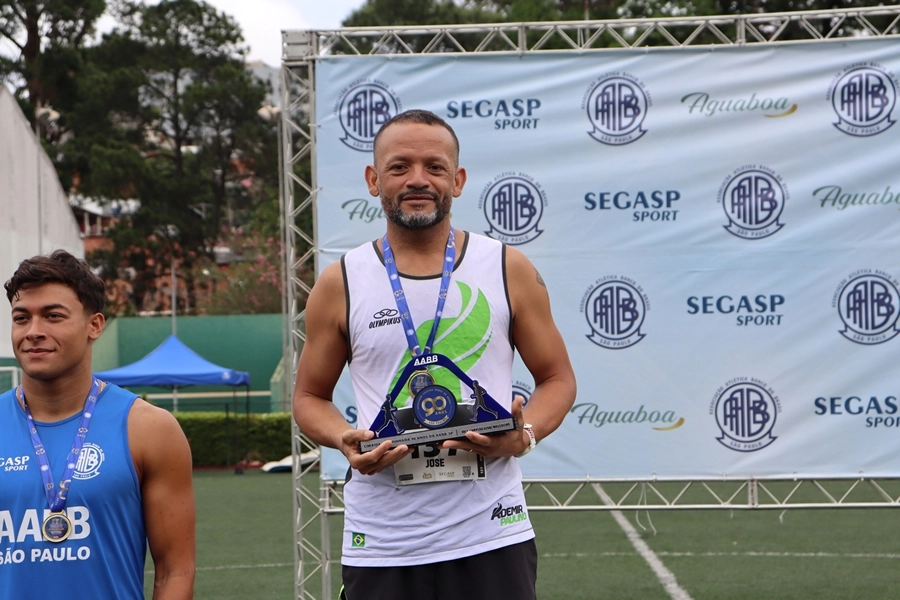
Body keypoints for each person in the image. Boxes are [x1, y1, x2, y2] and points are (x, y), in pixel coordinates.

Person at [292, 109, 577, 600]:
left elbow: (558, 379)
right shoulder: (341, 281)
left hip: (491, 530)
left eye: (435, 167)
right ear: (373, 180)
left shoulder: (507, 267)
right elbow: (309, 397)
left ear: (458, 180)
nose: (418, 180)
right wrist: (343, 438)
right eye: (399, 166)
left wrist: (523, 434)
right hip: (384, 541)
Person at [1, 250, 195, 600]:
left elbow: (175, 571)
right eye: (21, 318)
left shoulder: (149, 429)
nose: (34, 332)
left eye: (53, 316)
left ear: (94, 325)